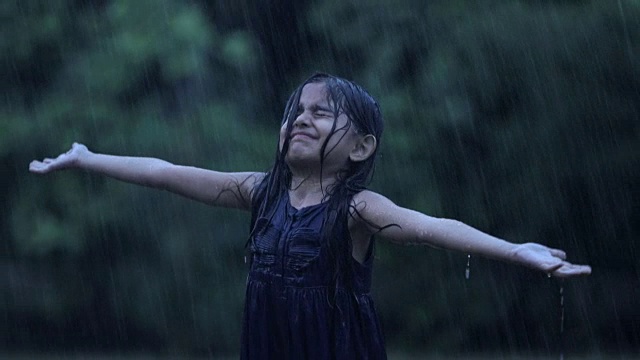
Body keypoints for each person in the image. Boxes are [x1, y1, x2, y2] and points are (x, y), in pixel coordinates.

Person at [29, 73, 591, 359]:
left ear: (363, 148)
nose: (302, 118)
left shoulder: (356, 209)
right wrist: (89, 158)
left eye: (322, 113)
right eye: (297, 111)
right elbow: (164, 170)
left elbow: (430, 227)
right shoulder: (259, 192)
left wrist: (516, 250)